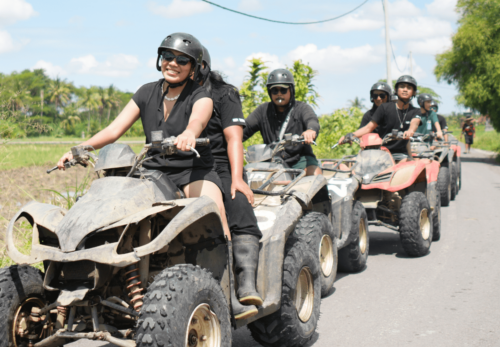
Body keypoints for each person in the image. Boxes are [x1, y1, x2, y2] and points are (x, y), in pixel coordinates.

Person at [56, 32, 230, 239]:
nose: (173, 64)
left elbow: (198, 120)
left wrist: (189, 134)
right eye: (168, 57)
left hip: (192, 171)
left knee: (213, 209)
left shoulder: (200, 95)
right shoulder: (146, 92)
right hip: (152, 171)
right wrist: (79, 150)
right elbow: (113, 130)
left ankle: (227, 263)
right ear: (160, 60)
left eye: (182, 60)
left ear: (193, 67)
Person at [199, 47, 263, 314]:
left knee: (238, 207)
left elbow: (234, 138)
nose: (176, 66)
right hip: (186, 166)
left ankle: (245, 284)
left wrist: (237, 177)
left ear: (201, 66)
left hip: (221, 164)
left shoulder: (224, 93)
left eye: (185, 61)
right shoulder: (173, 94)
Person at [242, 68, 321, 175]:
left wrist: (310, 130)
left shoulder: (302, 108)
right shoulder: (262, 111)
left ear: (291, 90)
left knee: (315, 174)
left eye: (283, 90)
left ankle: (323, 192)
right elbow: (243, 130)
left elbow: (312, 120)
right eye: (275, 90)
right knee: (251, 178)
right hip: (272, 161)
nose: (279, 94)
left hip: (299, 159)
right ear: (270, 92)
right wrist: (233, 140)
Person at [338, 75, 422, 161]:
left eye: (409, 88)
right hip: (381, 153)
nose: (405, 89)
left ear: (414, 92)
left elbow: (415, 122)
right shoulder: (384, 108)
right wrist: (350, 135)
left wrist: (410, 131)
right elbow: (368, 127)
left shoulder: (416, 111)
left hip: (401, 155)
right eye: (402, 87)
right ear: (396, 90)